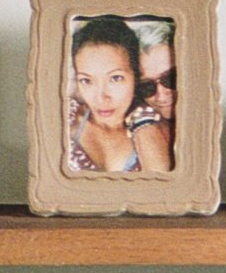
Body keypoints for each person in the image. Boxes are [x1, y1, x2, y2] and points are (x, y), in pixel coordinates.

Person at [62, 12, 176, 179]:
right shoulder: (63, 116)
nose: (101, 98)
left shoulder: (156, 126)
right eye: (86, 80)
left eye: (115, 78)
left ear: (135, 78)